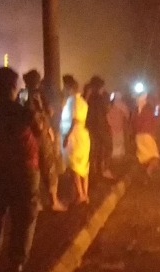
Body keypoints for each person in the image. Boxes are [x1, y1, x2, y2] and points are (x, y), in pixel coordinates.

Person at [0, 67, 40, 272]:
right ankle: (17, 260)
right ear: (13, 88)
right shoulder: (23, 113)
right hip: (23, 170)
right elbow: (39, 131)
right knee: (24, 216)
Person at [22, 69, 65, 212]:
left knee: (33, 169)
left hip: (26, 138)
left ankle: (37, 202)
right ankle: (54, 201)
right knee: (49, 167)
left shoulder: (21, 95)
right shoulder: (37, 95)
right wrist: (47, 128)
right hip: (41, 136)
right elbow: (47, 113)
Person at [59, 74, 91, 207]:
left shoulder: (73, 101)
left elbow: (74, 120)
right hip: (82, 136)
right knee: (83, 165)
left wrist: (66, 136)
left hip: (74, 137)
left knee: (74, 166)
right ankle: (84, 194)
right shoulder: (82, 101)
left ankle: (81, 194)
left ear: (69, 87)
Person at [85, 76, 114, 181]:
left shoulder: (89, 97)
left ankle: (95, 171)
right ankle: (103, 170)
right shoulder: (102, 97)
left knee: (94, 150)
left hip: (91, 127)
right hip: (100, 127)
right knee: (107, 148)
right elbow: (107, 110)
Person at [133, 92, 160, 175]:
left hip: (139, 136)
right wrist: (157, 110)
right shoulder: (149, 108)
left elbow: (134, 123)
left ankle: (127, 180)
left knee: (141, 159)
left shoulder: (136, 109)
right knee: (155, 157)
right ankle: (147, 175)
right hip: (147, 135)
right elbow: (154, 119)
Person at [108, 90, 130, 166]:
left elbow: (107, 117)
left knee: (115, 146)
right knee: (119, 145)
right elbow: (127, 115)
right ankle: (117, 164)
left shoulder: (110, 105)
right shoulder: (121, 105)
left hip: (113, 128)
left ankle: (115, 164)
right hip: (119, 128)